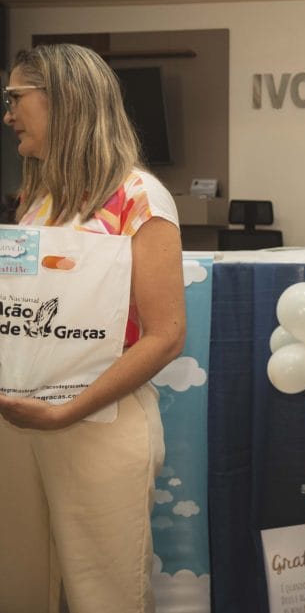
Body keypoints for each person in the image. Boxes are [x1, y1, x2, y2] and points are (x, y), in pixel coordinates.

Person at [0, 44, 185, 613]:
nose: (8, 114)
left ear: (63, 100)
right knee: (20, 589)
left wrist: (65, 412)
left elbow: (165, 334)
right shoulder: (38, 199)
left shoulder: (140, 198)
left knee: (106, 596)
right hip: (16, 422)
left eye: (16, 98)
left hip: (98, 420)